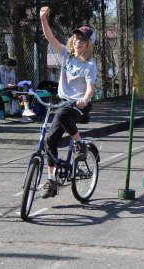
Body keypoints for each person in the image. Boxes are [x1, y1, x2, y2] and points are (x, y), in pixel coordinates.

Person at [39, 6, 96, 198]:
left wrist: (84, 100)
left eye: (83, 40)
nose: (78, 42)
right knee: (50, 140)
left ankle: (80, 144)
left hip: (81, 105)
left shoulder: (89, 64)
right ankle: (52, 180)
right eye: (77, 38)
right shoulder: (66, 55)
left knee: (63, 112)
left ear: (89, 44)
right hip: (65, 103)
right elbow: (50, 38)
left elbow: (90, 89)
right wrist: (43, 20)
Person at [0, 58, 36, 123]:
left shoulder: (12, 70)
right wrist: (6, 85)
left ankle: (26, 111)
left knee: (25, 87)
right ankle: (25, 114)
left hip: (10, 89)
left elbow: (13, 81)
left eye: (12, 69)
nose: (11, 70)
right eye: (10, 69)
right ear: (6, 65)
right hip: (1, 90)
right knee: (23, 92)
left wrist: (14, 85)